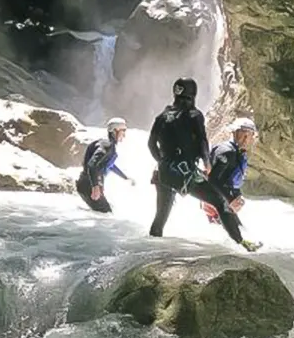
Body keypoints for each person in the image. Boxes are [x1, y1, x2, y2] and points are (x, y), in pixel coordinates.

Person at [148, 77, 261, 252]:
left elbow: (151, 144)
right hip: (186, 175)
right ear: (193, 94)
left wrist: (163, 162)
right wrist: (207, 164)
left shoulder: (161, 117)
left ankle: (151, 248)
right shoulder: (194, 115)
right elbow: (202, 142)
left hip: (162, 174)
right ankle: (242, 243)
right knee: (220, 203)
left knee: (161, 216)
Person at [202, 117, 258, 224]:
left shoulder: (237, 152)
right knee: (236, 234)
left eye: (251, 136)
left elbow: (228, 178)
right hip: (216, 202)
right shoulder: (227, 152)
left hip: (222, 200)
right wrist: (231, 199)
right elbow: (213, 180)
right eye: (250, 135)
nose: (249, 139)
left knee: (237, 232)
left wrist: (237, 195)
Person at [76, 117, 134, 212]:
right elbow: (92, 165)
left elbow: (109, 165)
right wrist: (95, 187)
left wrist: (125, 177)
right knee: (106, 216)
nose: (124, 134)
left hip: (84, 184)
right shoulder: (107, 145)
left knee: (104, 215)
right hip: (89, 185)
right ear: (115, 130)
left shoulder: (105, 143)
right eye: (123, 130)